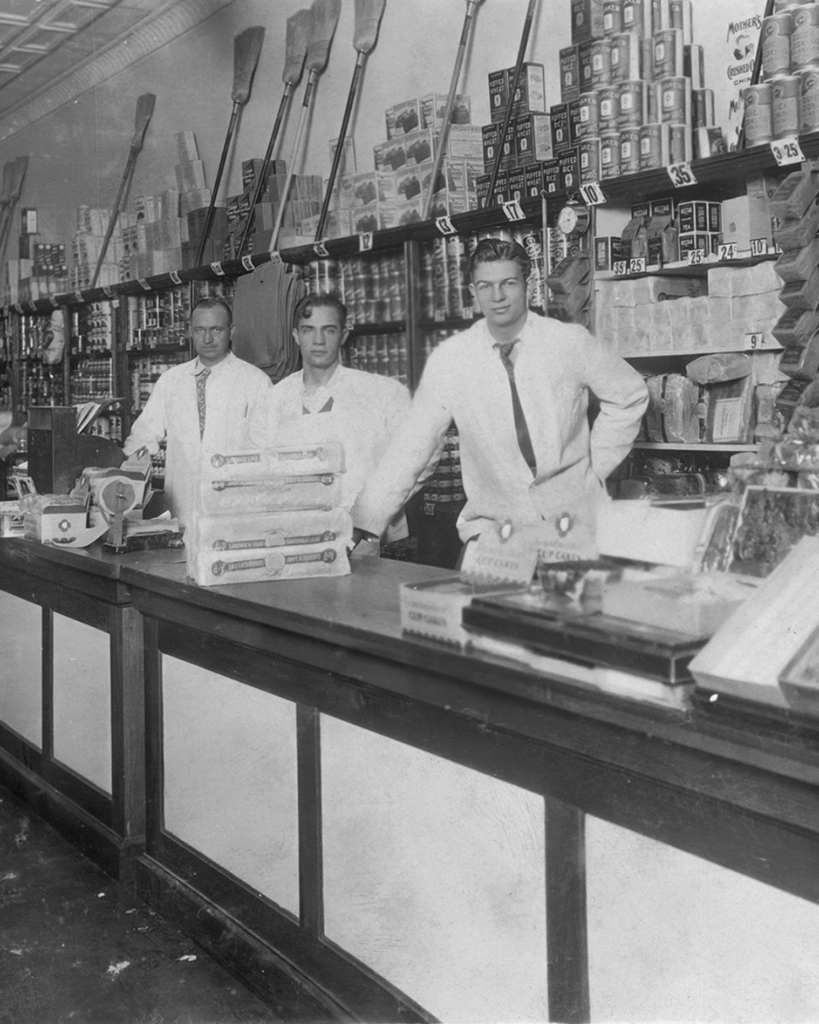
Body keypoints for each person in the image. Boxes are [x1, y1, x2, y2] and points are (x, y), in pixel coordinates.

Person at [352, 237, 649, 549]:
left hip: (574, 520)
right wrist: (364, 521)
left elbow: (630, 395)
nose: (497, 297)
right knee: (495, 598)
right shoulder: (452, 359)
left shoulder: (568, 341)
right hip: (496, 530)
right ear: (472, 292)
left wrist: (595, 467)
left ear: (528, 285)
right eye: (485, 286)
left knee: (571, 597)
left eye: (508, 283)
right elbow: (411, 447)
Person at [267, 292, 412, 541]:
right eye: (308, 330)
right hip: (295, 537)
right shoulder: (275, 398)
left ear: (343, 335)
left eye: (329, 330)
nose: (319, 340)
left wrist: (368, 519)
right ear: (296, 336)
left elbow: (418, 459)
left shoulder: (382, 392)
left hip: (368, 540)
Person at [122, 296, 272, 529]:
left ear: (231, 331)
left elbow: (268, 452)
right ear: (190, 331)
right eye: (200, 330)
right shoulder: (171, 381)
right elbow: (142, 440)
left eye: (216, 329)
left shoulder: (255, 382)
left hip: (236, 510)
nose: (208, 338)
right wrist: (119, 477)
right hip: (181, 508)